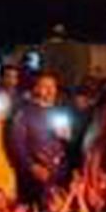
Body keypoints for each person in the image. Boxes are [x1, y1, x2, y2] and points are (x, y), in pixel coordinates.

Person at [10, 72, 70, 203]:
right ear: (36, 89)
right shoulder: (24, 113)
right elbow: (17, 145)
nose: (49, 90)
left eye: (52, 86)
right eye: (45, 86)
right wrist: (32, 166)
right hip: (35, 175)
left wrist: (66, 137)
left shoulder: (60, 111)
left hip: (58, 173)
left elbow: (66, 144)